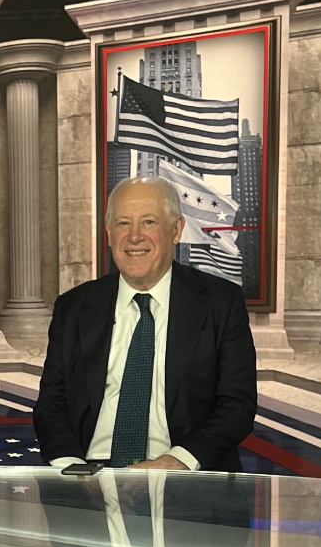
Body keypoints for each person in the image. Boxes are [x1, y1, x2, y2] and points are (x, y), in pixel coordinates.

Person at [33, 176, 258, 472]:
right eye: (123, 223)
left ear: (176, 230)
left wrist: (176, 462)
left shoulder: (220, 302)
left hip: (183, 472)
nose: (134, 236)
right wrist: (73, 469)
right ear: (109, 233)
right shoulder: (73, 307)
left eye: (149, 222)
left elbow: (237, 404)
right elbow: (51, 406)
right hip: (89, 471)